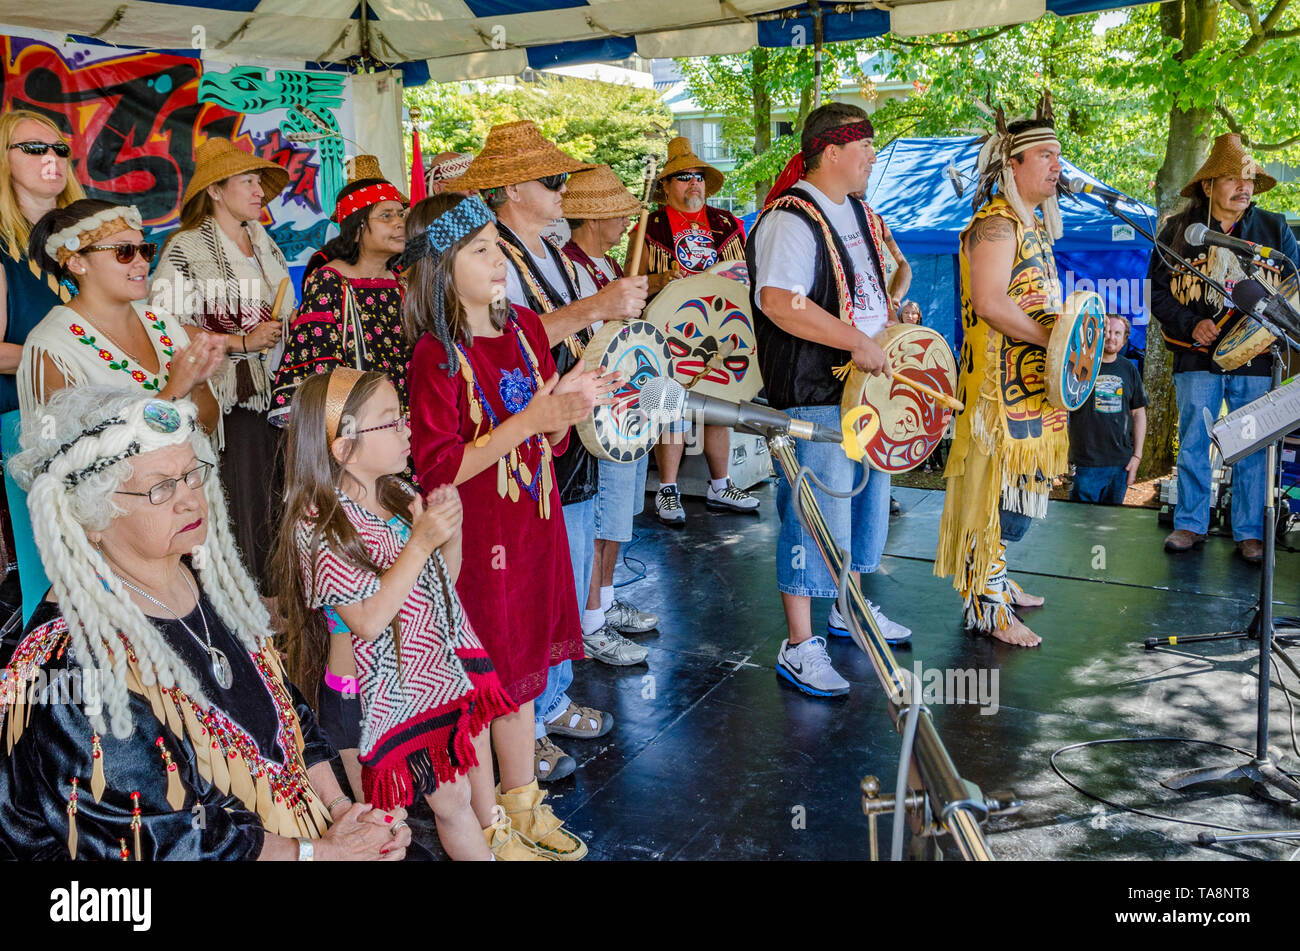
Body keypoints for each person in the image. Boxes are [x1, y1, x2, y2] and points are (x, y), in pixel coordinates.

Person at [0, 385, 411, 860]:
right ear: (91, 515)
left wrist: (342, 811)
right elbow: (165, 839)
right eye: (160, 487)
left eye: (192, 475)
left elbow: (284, 714)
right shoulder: (74, 665)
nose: (190, 500)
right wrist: (326, 854)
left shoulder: (206, 580)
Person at [405, 192, 615, 857]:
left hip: (534, 524)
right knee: (480, 685)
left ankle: (524, 802)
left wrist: (566, 405)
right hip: (478, 541)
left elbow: (546, 441)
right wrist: (532, 421)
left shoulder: (524, 326)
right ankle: (488, 820)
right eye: (479, 251)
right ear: (442, 266)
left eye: (498, 247)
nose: (498, 261)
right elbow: (439, 466)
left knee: (522, 674)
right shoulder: (435, 355)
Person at [451, 121, 650, 780]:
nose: (565, 189)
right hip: (517, 437)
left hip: (557, 428)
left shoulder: (547, 250)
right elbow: (508, 335)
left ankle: (549, 700)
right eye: (552, 180)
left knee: (554, 573)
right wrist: (599, 304)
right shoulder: (494, 249)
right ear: (513, 188)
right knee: (526, 586)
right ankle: (525, 723)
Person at [277, 369, 530, 860]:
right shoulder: (318, 525)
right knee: (383, 828)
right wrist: (421, 542)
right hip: (364, 704)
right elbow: (368, 621)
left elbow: (438, 588)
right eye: (390, 422)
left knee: (454, 801)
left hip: (419, 685)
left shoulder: (396, 496)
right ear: (342, 444)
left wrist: (447, 536)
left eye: (403, 418)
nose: (407, 430)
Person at [748, 102, 912, 698]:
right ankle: (798, 645)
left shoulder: (860, 213)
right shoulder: (791, 217)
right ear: (832, 150)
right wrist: (855, 342)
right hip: (813, 388)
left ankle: (848, 612)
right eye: (865, 146)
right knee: (813, 513)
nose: (873, 156)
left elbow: (860, 293)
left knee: (865, 505)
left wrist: (888, 321)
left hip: (863, 385)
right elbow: (779, 301)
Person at [933, 95, 1066, 648]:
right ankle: (984, 604)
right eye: (1046, 155)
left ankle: (998, 580)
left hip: (1030, 390)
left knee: (1018, 498)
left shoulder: (1033, 225)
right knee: (991, 498)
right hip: (993, 389)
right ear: (1012, 163)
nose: (1058, 165)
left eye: (1060, 155)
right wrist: (1052, 340)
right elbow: (989, 302)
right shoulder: (994, 223)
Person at [1148, 133, 1300, 564]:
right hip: (1196, 355)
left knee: (1252, 444)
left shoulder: (1273, 230)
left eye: (1249, 178)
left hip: (1257, 359)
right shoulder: (1178, 232)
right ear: (1207, 186)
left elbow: (1293, 286)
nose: (1244, 187)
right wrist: (1191, 324)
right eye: (1232, 178)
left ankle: (1249, 531)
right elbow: (1159, 293)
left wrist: (1264, 328)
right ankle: (1190, 523)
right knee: (1195, 437)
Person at [151, 137, 293, 591]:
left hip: (275, 392)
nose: (259, 191)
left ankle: (275, 613)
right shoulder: (185, 248)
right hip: (224, 402)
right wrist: (239, 341)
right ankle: (243, 611)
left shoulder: (264, 242)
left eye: (260, 182)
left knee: (276, 502)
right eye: (248, 181)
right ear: (215, 190)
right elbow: (162, 323)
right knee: (241, 506)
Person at [560, 165, 660, 663]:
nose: (625, 222)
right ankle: (591, 619)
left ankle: (604, 600)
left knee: (619, 517)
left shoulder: (604, 269)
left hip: (625, 405)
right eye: (618, 214)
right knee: (603, 519)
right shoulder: (570, 270)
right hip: (599, 411)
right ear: (593, 220)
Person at [19, 200, 227, 433]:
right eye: (124, 252)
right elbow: (70, 455)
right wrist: (174, 390)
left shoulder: (163, 322)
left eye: (145, 250)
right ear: (77, 262)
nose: (142, 262)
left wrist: (197, 384)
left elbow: (206, 428)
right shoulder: (54, 347)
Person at [637, 136, 759, 524]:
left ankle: (721, 485)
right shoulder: (650, 226)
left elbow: (743, 278)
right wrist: (661, 278)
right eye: (684, 177)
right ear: (667, 186)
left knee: (720, 403)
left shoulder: (725, 223)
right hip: (671, 328)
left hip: (720, 326)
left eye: (699, 177)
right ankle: (668, 489)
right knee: (671, 405)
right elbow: (633, 281)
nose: (694, 184)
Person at [0, 110, 85, 607]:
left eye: (58, 149)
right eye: (33, 148)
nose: (50, 159)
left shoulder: (86, 244)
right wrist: (65, 359)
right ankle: (45, 673)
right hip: (25, 427)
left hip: (94, 422)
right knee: (52, 583)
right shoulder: (3, 247)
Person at [271, 159, 411, 426]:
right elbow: (323, 370)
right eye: (386, 215)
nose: (399, 223)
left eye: (400, 214)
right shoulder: (329, 281)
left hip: (404, 421)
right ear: (357, 229)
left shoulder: (401, 284)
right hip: (355, 425)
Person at [1068, 315, 1147, 505]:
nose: (1111, 337)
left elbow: (1138, 414)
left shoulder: (1129, 370)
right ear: (1096, 335)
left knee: (1111, 524)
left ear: (1124, 340)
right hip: (1087, 463)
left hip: (1121, 464)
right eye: (1107, 332)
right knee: (1080, 524)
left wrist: (1137, 456)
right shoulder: (1079, 364)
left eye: (1117, 333)